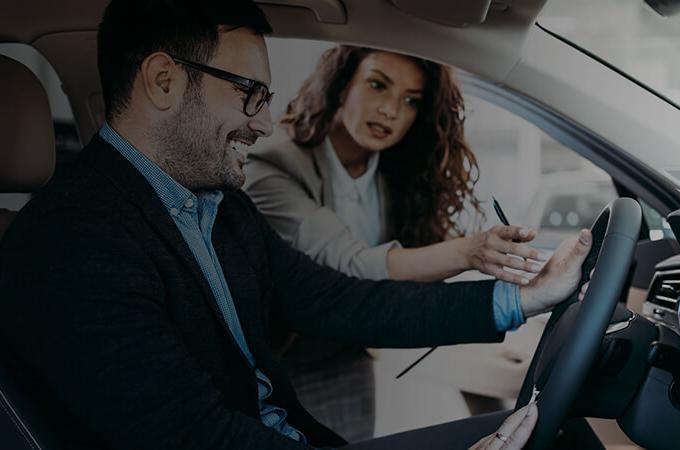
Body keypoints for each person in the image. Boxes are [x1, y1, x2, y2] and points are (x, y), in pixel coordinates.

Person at [0, 0, 593, 449]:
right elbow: (194, 436)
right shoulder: (71, 245)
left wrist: (525, 297)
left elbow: (341, 302)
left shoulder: (217, 206)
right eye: (250, 94)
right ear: (163, 81)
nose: (263, 123)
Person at [243, 45, 543, 440]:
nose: (390, 110)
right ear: (341, 84)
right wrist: (470, 251)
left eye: (410, 101)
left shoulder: (396, 171)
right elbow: (350, 266)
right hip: (274, 365)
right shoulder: (274, 167)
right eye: (377, 85)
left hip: (347, 352)